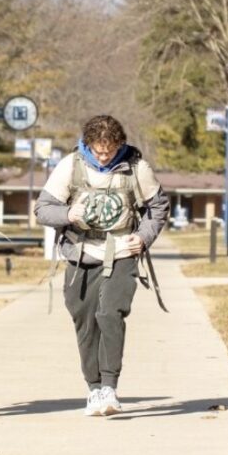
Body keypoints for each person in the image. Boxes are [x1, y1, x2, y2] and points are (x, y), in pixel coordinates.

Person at [35, 115, 169, 416]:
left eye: (109, 150)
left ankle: (109, 387)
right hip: (81, 253)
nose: (104, 156)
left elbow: (159, 206)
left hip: (121, 250)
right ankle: (93, 388)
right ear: (88, 145)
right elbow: (43, 209)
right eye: (98, 150)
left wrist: (144, 236)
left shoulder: (136, 168)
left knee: (110, 312)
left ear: (119, 144)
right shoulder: (71, 165)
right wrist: (69, 214)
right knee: (85, 321)